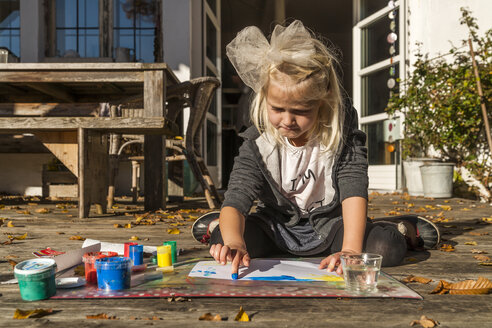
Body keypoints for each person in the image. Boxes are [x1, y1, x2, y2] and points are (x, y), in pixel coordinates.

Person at [192, 20, 440, 277]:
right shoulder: (257, 143)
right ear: (264, 100)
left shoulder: (342, 136)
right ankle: (219, 225)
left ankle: (402, 228)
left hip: (332, 227)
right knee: (224, 240)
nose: (287, 121)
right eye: (277, 109)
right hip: (275, 227)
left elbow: (353, 189)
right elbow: (237, 196)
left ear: (322, 103)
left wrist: (351, 251)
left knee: (383, 248)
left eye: (300, 112)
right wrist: (235, 242)